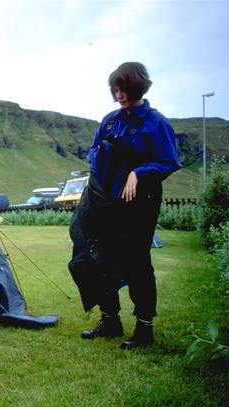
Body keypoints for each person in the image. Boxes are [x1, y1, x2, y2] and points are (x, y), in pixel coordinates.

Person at [70, 62, 180, 349]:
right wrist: (101, 164)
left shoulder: (156, 123)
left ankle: (144, 329)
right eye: (115, 89)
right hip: (105, 199)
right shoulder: (109, 120)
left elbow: (168, 161)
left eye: (124, 89)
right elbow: (93, 150)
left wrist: (137, 173)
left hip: (138, 203)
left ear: (138, 87)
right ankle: (110, 321)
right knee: (97, 256)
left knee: (136, 261)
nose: (119, 95)